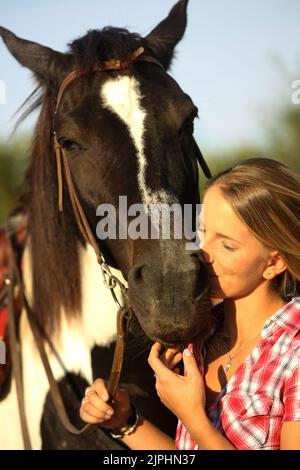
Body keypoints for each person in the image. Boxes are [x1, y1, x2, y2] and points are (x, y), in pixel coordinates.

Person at [80, 158, 300, 450]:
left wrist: (192, 417)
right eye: (203, 232)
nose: (202, 252)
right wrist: (125, 422)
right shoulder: (202, 336)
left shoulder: (293, 355)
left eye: (227, 245)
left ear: (274, 263)